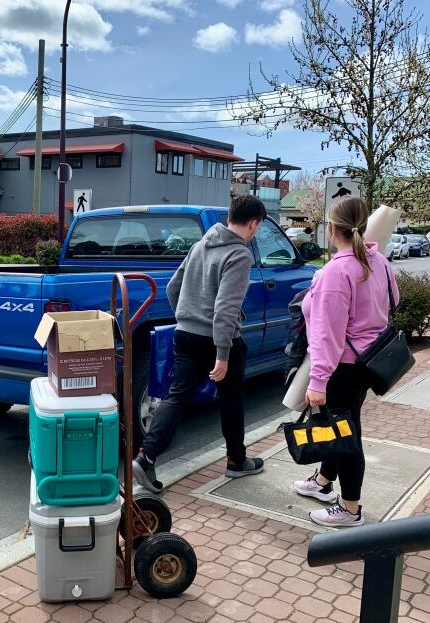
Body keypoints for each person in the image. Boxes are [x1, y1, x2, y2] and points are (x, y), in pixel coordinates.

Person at [133, 195, 268, 493]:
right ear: (254, 223)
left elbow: (173, 287)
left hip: (186, 333)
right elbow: (226, 308)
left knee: (176, 396)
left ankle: (146, 456)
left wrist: (186, 315)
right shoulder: (239, 255)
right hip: (220, 341)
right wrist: (222, 354)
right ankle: (236, 461)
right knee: (231, 399)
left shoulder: (199, 246)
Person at [292, 196, 399, 527]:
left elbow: (327, 335)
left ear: (331, 229)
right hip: (367, 362)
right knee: (341, 427)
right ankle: (324, 483)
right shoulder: (376, 260)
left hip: (342, 367)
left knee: (346, 437)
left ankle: (350, 510)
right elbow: (395, 298)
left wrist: (318, 381)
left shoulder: (336, 272)